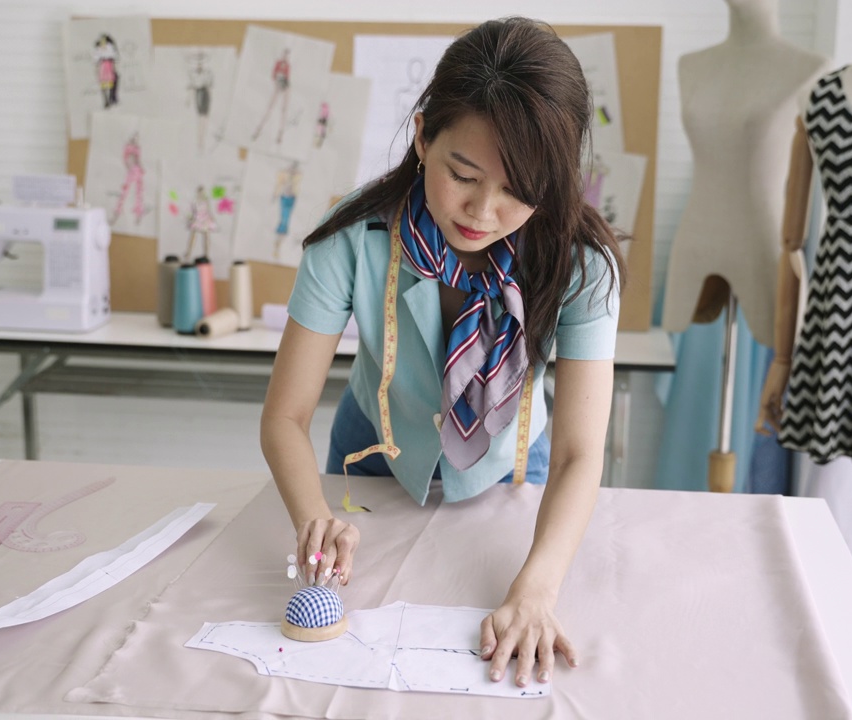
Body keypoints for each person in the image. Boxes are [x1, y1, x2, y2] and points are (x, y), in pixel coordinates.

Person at [260, 17, 626, 689]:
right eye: (464, 174)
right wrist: (314, 517)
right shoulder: (352, 238)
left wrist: (536, 590)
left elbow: (580, 453)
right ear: (424, 135)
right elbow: (285, 415)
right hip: (369, 464)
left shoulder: (582, 268)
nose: (484, 211)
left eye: (520, 191)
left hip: (519, 469)